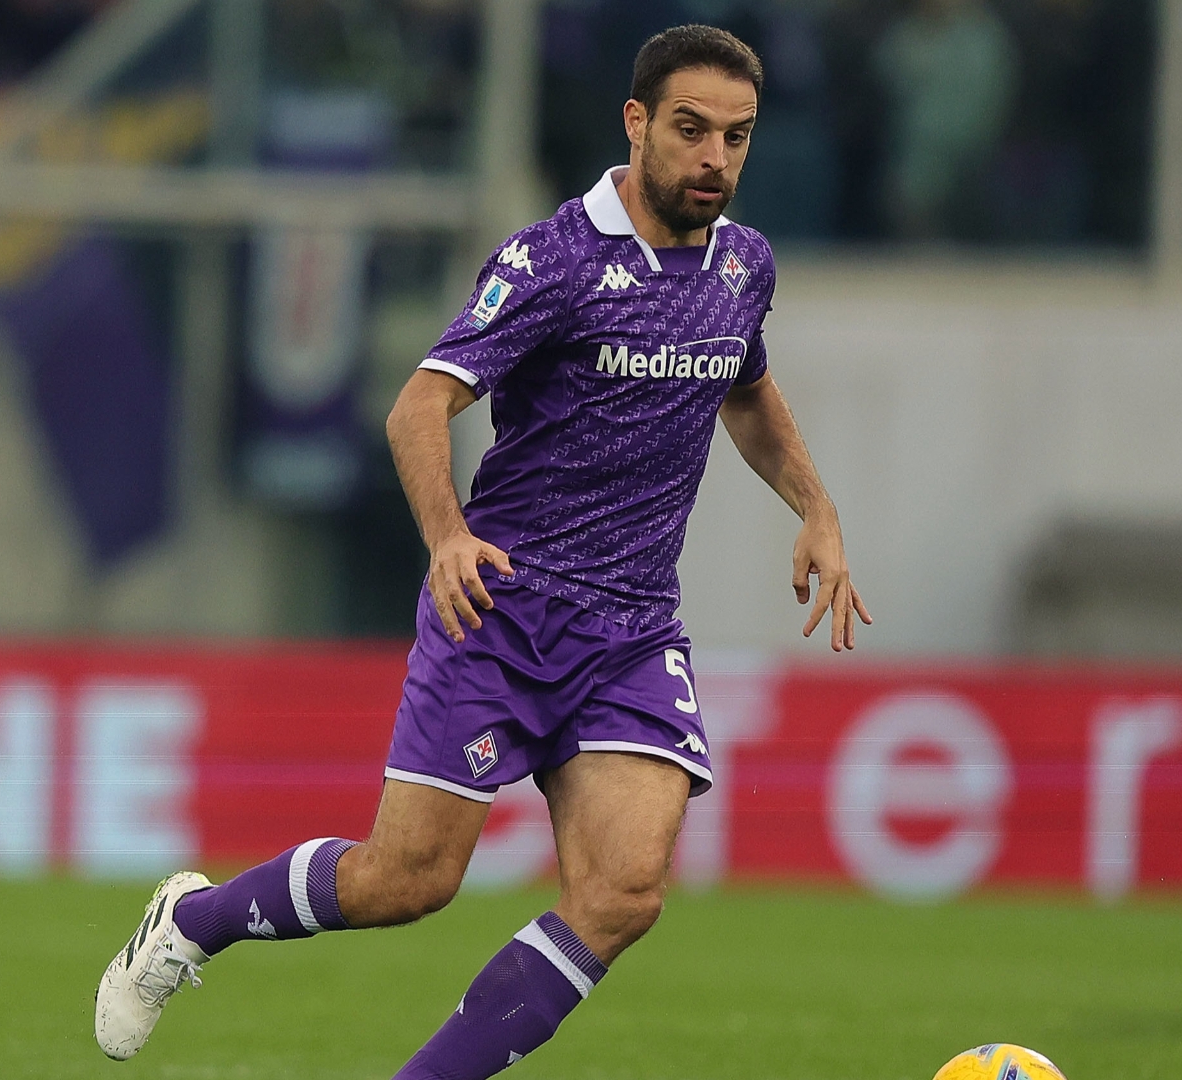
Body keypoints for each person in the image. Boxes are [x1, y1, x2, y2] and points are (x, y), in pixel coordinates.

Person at [93, 23, 869, 1075]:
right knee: (405, 881)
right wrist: (448, 537)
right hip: (503, 608)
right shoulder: (552, 261)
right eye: (691, 131)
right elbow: (420, 407)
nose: (715, 160)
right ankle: (195, 922)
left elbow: (744, 389)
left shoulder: (743, 267)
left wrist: (815, 507)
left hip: (634, 629)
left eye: (736, 137)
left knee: (624, 893)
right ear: (637, 123)